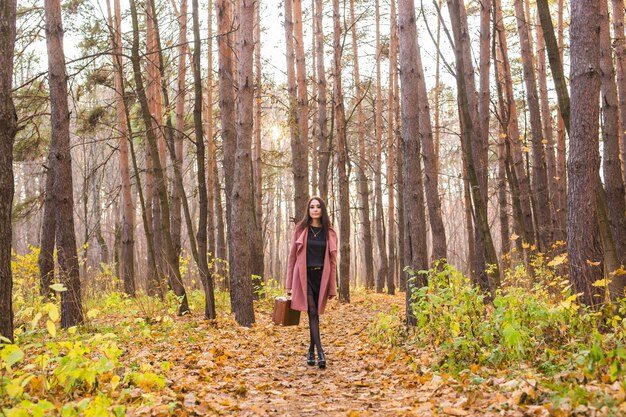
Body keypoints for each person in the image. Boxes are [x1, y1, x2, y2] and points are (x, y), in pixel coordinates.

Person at [286, 196, 337, 368]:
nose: (315, 209)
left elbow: (332, 262)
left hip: (321, 278)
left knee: (314, 316)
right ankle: (321, 353)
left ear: (322, 209)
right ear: (308, 211)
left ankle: (310, 350)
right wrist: (289, 285)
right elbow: (292, 258)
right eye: (312, 207)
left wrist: (332, 287)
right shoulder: (300, 230)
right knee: (312, 312)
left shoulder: (329, 232)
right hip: (303, 278)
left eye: (318, 207)